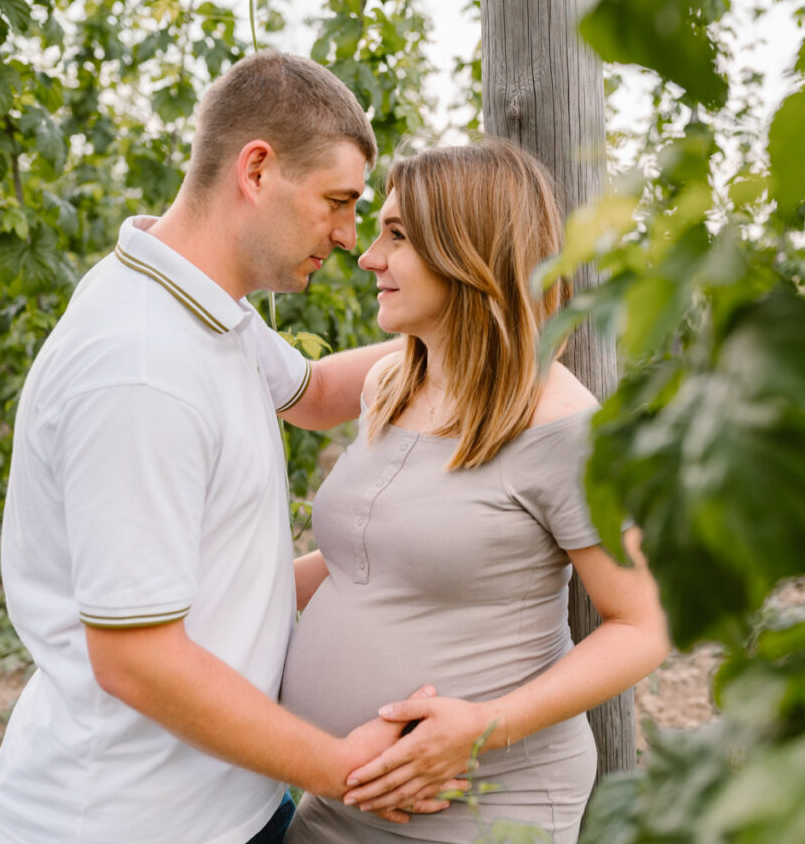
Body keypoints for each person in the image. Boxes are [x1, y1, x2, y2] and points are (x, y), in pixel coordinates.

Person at [0, 50, 446, 844]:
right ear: (257, 170)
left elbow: (316, 395)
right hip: (132, 826)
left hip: (222, 801)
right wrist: (344, 769)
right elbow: (138, 660)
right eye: (337, 202)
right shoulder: (141, 367)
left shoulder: (202, 304)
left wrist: (470, 333)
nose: (348, 237)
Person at [279, 139, 672, 843]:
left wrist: (484, 726)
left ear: (468, 252)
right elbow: (361, 555)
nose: (368, 257)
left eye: (397, 236)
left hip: (479, 804)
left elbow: (642, 626)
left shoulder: (563, 427)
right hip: (340, 792)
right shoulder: (393, 381)